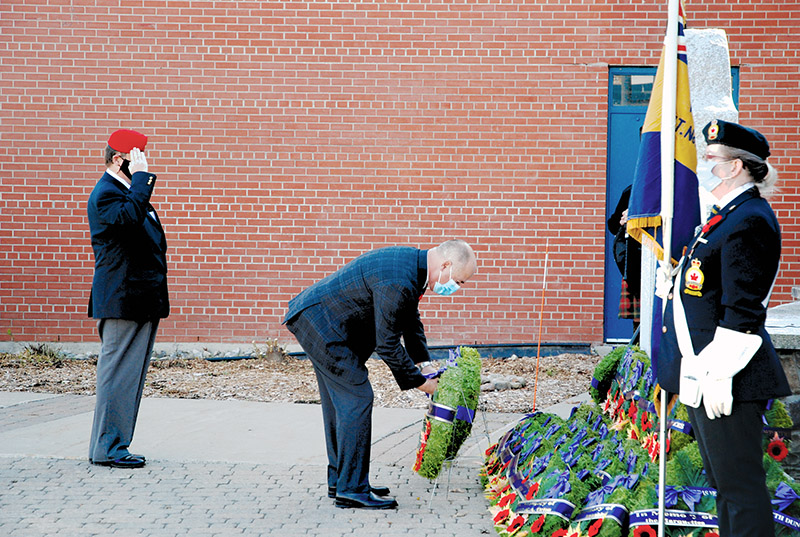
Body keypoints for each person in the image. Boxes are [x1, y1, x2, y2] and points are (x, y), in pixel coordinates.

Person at [658, 119, 790, 537]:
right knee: (725, 488)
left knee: (741, 489)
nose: (704, 166)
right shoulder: (727, 216)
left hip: (728, 377)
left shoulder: (749, 218)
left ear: (736, 168)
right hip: (708, 372)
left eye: (712, 159)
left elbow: (743, 313)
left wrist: (718, 374)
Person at [283, 239, 478, 509]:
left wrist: (425, 364)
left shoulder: (412, 268)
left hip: (319, 322)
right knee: (357, 399)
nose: (456, 288)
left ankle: (342, 480)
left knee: (340, 403)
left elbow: (410, 321)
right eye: (459, 281)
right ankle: (352, 490)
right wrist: (423, 384)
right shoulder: (400, 280)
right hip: (322, 327)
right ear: (445, 265)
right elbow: (387, 344)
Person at [87, 129, 169, 468]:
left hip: (140, 299)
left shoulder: (126, 192)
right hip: (123, 300)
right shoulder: (108, 194)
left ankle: (115, 444)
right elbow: (129, 219)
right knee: (117, 376)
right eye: (136, 159)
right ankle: (108, 449)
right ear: (119, 160)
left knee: (129, 378)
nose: (143, 165)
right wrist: (140, 180)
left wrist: (137, 184)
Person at [607, 185, 642, 330]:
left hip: (664, 260)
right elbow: (613, 225)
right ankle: (638, 349)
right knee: (639, 318)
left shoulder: (674, 191)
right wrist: (622, 222)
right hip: (636, 260)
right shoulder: (632, 191)